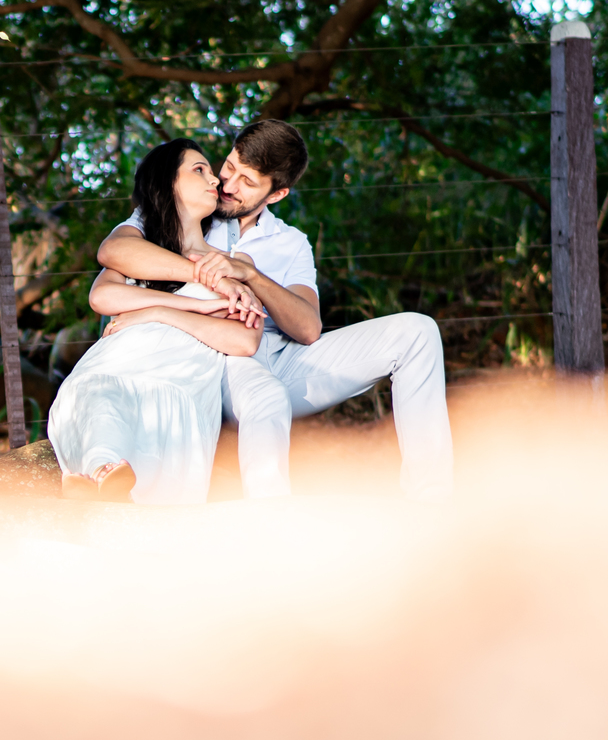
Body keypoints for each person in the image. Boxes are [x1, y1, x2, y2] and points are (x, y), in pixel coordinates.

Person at [97, 120, 453, 501]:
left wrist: (250, 275)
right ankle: (268, 520)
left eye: (248, 183)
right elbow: (115, 252)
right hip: (215, 353)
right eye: (230, 167)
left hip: (283, 359)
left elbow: (308, 328)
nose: (228, 186)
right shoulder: (182, 208)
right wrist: (210, 274)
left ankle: (430, 498)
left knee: (417, 331)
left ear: (278, 193)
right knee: (264, 393)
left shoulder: (291, 242)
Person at [48, 139, 264, 504]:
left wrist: (156, 313)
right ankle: (103, 474)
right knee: (100, 395)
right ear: (167, 183)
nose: (216, 181)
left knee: (142, 425)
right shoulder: (141, 251)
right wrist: (186, 306)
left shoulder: (231, 265)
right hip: (112, 369)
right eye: (199, 170)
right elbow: (102, 297)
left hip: (176, 384)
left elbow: (245, 341)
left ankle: (101, 482)